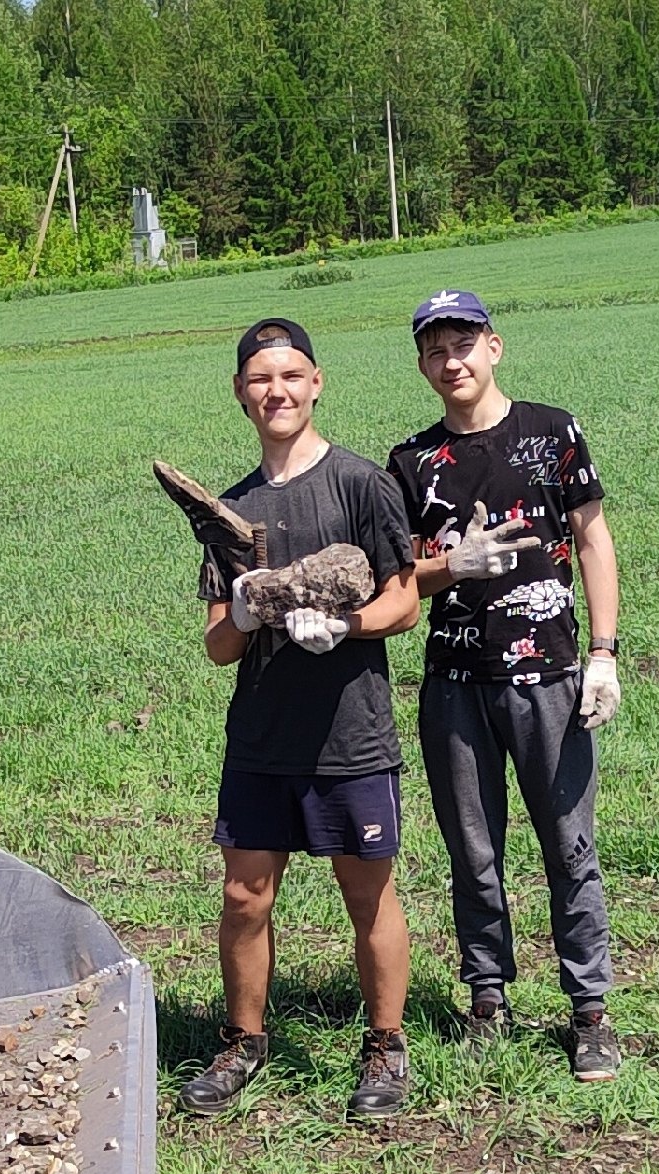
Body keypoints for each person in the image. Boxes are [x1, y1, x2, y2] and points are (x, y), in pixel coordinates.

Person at [181, 318, 422, 1118]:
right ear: (240, 393)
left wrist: (346, 627)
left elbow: (404, 598)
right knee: (245, 896)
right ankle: (243, 1041)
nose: (275, 391)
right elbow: (218, 643)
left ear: (316, 383)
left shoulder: (360, 484)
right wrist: (246, 613)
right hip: (260, 737)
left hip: (350, 732)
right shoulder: (231, 509)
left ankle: (385, 1046)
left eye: (290, 376)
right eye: (259, 378)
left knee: (367, 894)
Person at [387, 290, 623, 1082]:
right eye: (434, 350)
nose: (450, 361)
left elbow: (592, 541)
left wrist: (603, 652)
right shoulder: (411, 463)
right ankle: (488, 997)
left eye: (463, 343)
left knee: (570, 846)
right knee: (473, 852)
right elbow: (398, 581)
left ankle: (589, 1010)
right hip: (455, 685)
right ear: (421, 364)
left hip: (552, 676)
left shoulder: (553, 432)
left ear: (495, 347)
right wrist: (451, 563)